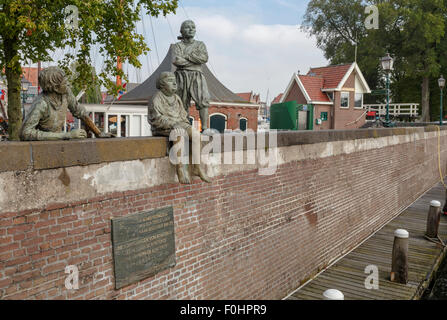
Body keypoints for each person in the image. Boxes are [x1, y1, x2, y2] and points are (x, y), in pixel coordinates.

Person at [148, 72, 210, 184]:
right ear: (162, 84)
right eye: (170, 80)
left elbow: (183, 114)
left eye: (174, 80)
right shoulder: (156, 98)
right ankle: (180, 169)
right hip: (163, 127)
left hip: (179, 123)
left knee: (196, 135)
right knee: (179, 134)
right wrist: (173, 124)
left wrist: (183, 123)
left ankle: (196, 166)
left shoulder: (176, 98)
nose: (174, 83)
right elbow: (156, 118)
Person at [20, 66, 112, 141]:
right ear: (55, 87)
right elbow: (25, 133)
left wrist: (98, 133)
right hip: (42, 148)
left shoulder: (65, 93)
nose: (68, 85)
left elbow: (80, 112)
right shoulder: (41, 104)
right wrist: (67, 135)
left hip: (58, 144)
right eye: (65, 83)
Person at [173, 20, 211, 132]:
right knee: (182, 102)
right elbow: (177, 61)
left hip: (197, 75)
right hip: (181, 76)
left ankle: (204, 128)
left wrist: (186, 57)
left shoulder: (200, 44)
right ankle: (184, 128)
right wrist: (194, 58)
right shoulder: (177, 46)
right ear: (181, 31)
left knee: (203, 100)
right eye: (187, 27)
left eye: (193, 27)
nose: (191, 29)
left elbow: (204, 58)